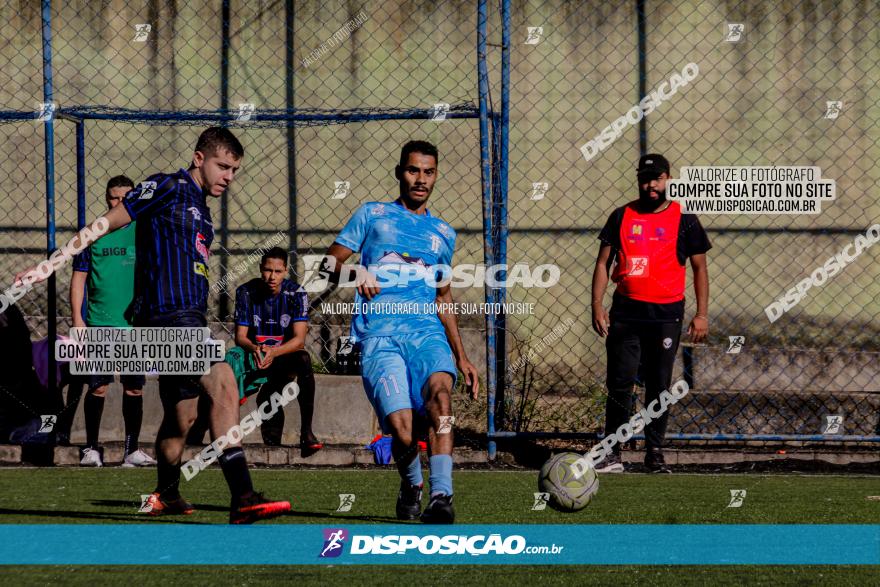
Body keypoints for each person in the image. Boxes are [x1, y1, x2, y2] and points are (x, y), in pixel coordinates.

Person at [16, 127, 290, 524]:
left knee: (183, 415)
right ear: (200, 158)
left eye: (234, 170)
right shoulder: (167, 186)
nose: (229, 176)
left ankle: (166, 493)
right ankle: (243, 495)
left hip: (187, 316)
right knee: (224, 381)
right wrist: (52, 262)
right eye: (223, 166)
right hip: (168, 316)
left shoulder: (202, 210)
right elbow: (107, 222)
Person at [320, 140, 479, 524]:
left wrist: (461, 355)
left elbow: (443, 296)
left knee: (441, 400)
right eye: (413, 170)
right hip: (380, 337)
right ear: (399, 172)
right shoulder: (372, 215)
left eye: (428, 172)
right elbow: (328, 264)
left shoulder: (443, 233)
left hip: (427, 334)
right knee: (402, 431)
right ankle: (412, 484)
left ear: (435, 175)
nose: (420, 179)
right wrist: (357, 271)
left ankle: (442, 496)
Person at [591, 154, 710, 473]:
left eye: (657, 178)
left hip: (666, 315)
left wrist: (702, 314)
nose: (651, 185)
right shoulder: (621, 216)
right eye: (645, 179)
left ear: (668, 178)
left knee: (658, 384)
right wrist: (597, 305)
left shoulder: (685, 220)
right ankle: (612, 453)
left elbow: (699, 267)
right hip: (626, 313)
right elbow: (603, 263)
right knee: (620, 383)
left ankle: (654, 452)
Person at [70, 175, 155, 468]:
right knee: (98, 386)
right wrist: (78, 321)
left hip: (134, 326)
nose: (117, 203)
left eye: (124, 198)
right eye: (112, 198)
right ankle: (91, 448)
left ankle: (131, 450)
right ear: (106, 199)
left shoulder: (146, 232)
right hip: (99, 324)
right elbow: (78, 280)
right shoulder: (93, 233)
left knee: (134, 388)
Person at [226, 246, 322, 454]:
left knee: (303, 359)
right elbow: (240, 337)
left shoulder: (296, 293)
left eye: (277, 272)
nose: (272, 276)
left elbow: (299, 341)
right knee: (229, 359)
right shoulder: (245, 292)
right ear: (261, 269)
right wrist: (254, 348)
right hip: (255, 355)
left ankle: (307, 433)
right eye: (268, 270)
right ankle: (224, 435)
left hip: (281, 358)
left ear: (286, 271)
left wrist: (274, 352)